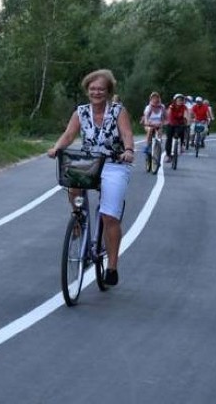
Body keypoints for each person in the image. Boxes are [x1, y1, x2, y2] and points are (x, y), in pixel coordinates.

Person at [47, 69, 134, 287]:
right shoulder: (81, 112)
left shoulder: (118, 111)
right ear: (87, 90)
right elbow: (69, 135)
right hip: (90, 162)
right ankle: (78, 218)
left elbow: (126, 134)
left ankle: (112, 267)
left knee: (109, 216)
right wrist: (56, 148)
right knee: (72, 181)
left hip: (114, 164)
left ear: (108, 91)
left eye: (101, 89)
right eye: (93, 88)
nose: (96, 92)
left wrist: (129, 150)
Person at [164, 93, 189, 162]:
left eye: (181, 100)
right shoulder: (171, 106)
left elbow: (186, 114)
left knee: (182, 130)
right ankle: (168, 155)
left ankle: (182, 145)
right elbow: (168, 113)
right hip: (171, 124)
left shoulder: (184, 107)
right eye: (178, 100)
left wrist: (186, 120)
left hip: (179, 124)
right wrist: (167, 121)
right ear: (175, 100)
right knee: (169, 139)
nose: (180, 101)